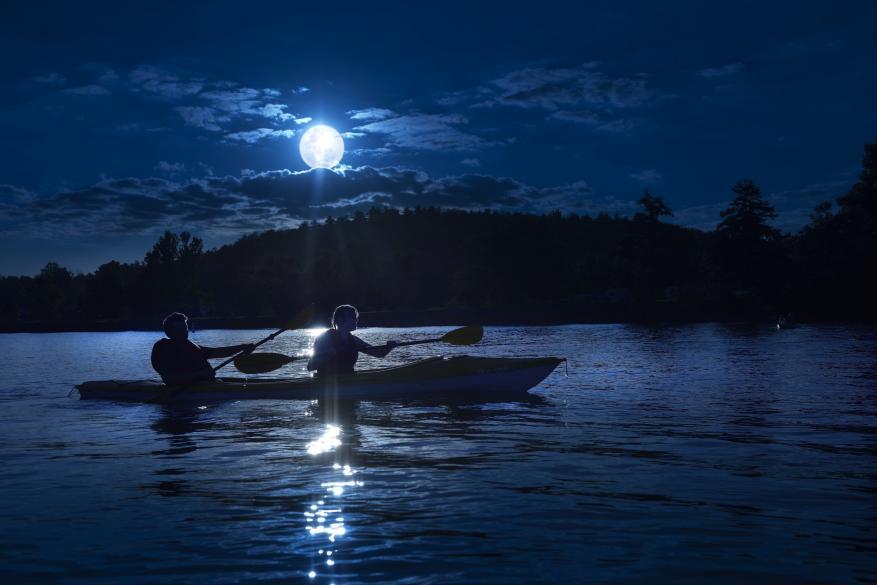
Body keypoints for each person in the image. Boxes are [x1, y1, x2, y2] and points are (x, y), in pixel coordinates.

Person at [151, 312, 255, 385]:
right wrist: (200, 374)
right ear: (169, 332)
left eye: (185, 328)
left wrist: (242, 347)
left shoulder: (189, 346)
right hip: (186, 390)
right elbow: (170, 379)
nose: (184, 332)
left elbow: (217, 352)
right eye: (179, 329)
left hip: (205, 384)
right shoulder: (165, 350)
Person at [307, 305, 397, 376]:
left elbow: (379, 354)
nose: (356, 320)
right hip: (326, 383)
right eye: (352, 317)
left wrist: (389, 347)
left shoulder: (354, 340)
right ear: (340, 320)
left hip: (349, 380)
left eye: (356, 317)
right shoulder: (324, 338)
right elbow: (310, 366)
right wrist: (327, 356)